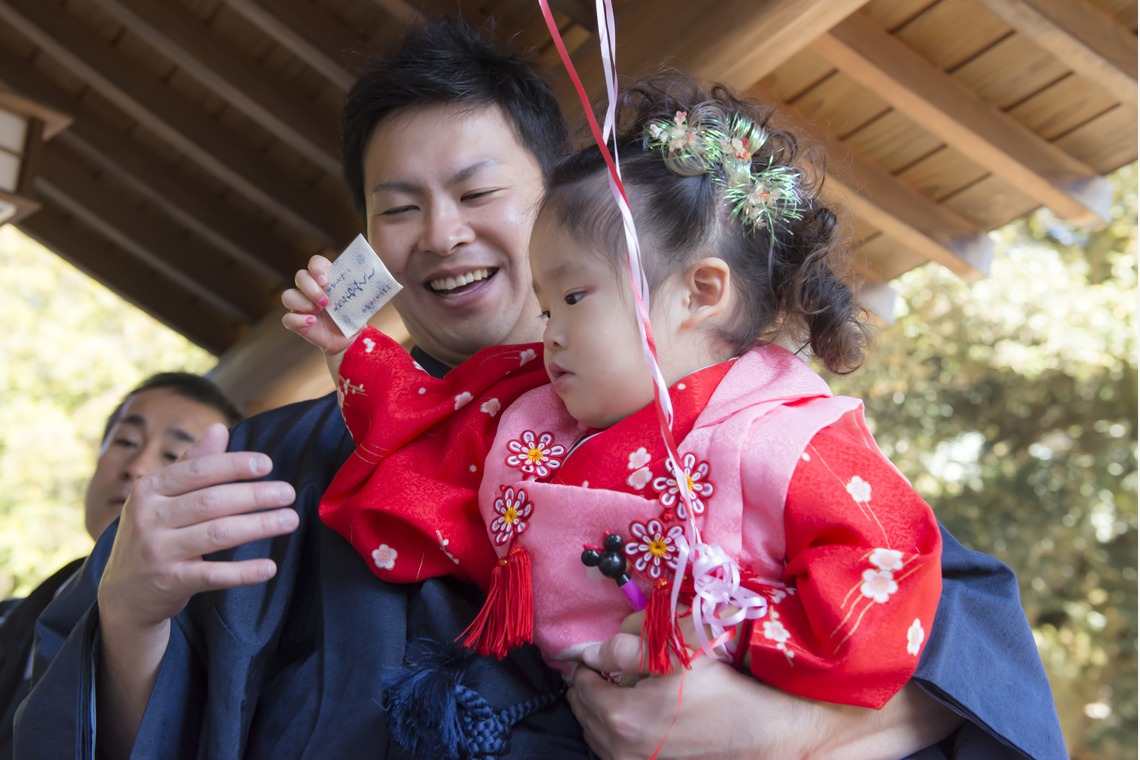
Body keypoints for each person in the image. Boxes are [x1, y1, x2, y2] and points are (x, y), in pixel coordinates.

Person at [14, 18, 1067, 760]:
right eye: (397, 207)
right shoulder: (280, 468)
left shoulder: (737, 423)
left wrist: (782, 733)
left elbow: (961, 647)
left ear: (565, 204)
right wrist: (127, 616)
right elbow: (146, 722)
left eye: (479, 191)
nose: (442, 235)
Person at [285, 73, 943, 725]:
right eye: (399, 208)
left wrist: (748, 667)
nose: (442, 234)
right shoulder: (527, 411)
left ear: (701, 292)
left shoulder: (790, 436)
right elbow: (422, 449)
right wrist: (352, 350)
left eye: (572, 299)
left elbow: (885, 574)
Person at [0, 372, 241, 760]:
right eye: (126, 442)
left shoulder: (226, 635)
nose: (138, 467)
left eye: (172, 456)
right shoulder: (13, 616)